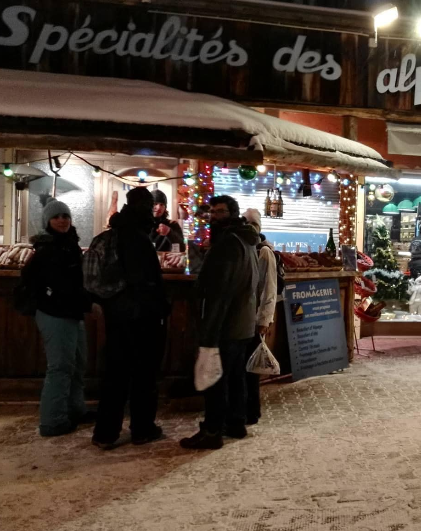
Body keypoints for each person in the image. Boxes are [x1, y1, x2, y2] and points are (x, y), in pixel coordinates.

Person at [92, 187, 170, 449]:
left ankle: (105, 432)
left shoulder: (116, 232)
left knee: (115, 373)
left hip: (116, 314)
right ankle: (142, 429)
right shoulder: (137, 237)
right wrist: (161, 308)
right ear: (143, 207)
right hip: (142, 316)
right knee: (143, 375)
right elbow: (147, 281)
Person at [181, 195, 259, 450]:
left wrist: (209, 331)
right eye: (212, 211)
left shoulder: (227, 243)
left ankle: (212, 430)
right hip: (243, 322)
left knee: (216, 379)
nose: (214, 216)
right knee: (235, 376)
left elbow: (219, 292)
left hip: (226, 323)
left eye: (221, 212)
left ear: (232, 213)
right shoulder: (246, 240)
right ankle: (235, 423)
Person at [21, 199, 93, 437]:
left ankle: (75, 408)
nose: (62, 220)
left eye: (65, 215)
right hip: (55, 312)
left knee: (77, 364)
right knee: (61, 366)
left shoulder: (69, 244)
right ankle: (52, 421)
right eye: (57, 217)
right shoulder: (48, 249)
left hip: (71, 312)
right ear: (47, 222)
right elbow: (60, 285)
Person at [242, 208, 278, 426]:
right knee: (244, 367)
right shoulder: (245, 249)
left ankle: (252, 411)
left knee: (251, 369)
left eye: (251, 224)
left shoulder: (264, 252)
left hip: (255, 319)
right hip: (244, 319)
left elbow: (269, 288)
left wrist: (264, 320)